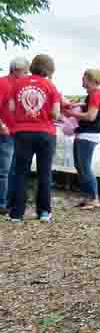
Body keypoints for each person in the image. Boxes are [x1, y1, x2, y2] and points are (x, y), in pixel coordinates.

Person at [8, 54, 61, 223]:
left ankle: (17, 214)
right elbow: (56, 113)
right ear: (49, 69)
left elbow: (11, 107)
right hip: (46, 133)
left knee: (20, 172)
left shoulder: (18, 84)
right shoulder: (51, 86)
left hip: (22, 132)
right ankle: (44, 212)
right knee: (44, 172)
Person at [69, 69, 100, 210]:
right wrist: (77, 106)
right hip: (84, 134)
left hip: (89, 135)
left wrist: (71, 113)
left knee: (84, 167)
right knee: (80, 166)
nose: (82, 80)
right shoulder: (91, 95)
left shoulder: (96, 94)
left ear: (91, 79)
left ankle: (93, 198)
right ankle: (88, 196)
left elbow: (91, 116)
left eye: (84, 77)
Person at [0, 56, 29, 215]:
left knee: (11, 170)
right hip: (5, 133)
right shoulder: (3, 83)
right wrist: (2, 126)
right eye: (25, 71)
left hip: (16, 132)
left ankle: (9, 201)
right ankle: (2, 202)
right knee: (4, 170)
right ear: (17, 70)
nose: (27, 74)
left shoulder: (19, 85)